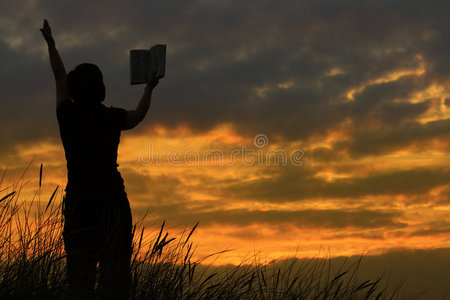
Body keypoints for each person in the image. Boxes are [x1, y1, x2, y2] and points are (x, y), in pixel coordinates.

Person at [40, 19, 159, 300]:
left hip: (80, 204)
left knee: (79, 280)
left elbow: (59, 77)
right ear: (100, 89)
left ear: (73, 90)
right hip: (112, 205)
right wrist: (149, 89)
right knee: (115, 281)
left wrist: (51, 44)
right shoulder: (112, 117)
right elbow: (138, 115)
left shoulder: (67, 115)